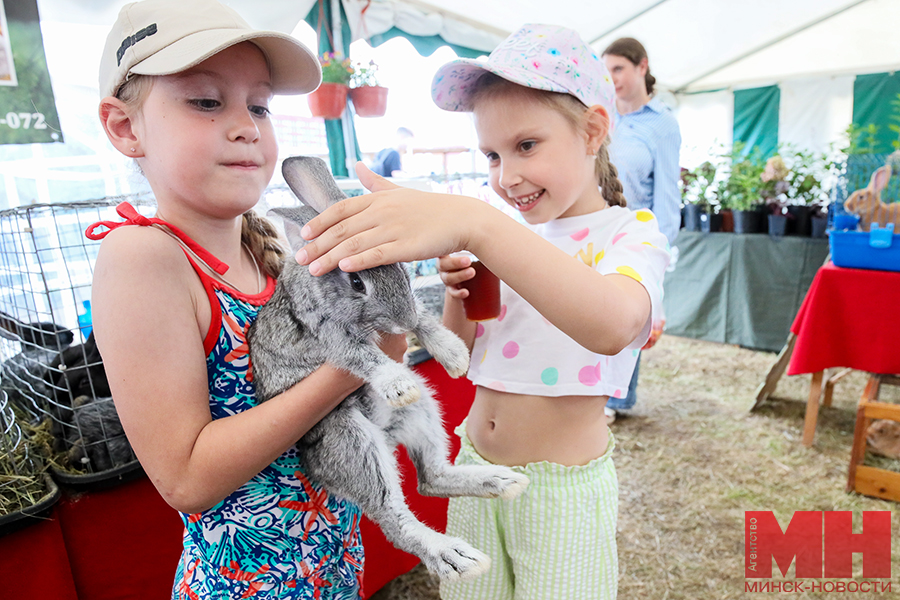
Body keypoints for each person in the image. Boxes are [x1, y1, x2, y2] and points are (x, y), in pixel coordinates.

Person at [294, 25, 670, 600]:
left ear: (593, 130)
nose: (506, 175)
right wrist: (461, 288)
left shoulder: (628, 234)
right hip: (475, 467)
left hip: (560, 488)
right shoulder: (508, 240)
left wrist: (482, 225)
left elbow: (613, 325)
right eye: (492, 154)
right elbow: (460, 355)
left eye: (526, 146)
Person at [88, 1, 406, 597]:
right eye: (207, 102)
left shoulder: (275, 258)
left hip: (331, 566)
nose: (247, 126)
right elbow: (186, 479)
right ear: (125, 127)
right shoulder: (144, 258)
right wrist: (348, 366)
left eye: (259, 105)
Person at [603, 37, 682, 423]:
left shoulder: (662, 124)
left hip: (637, 232)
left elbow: (668, 194)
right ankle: (598, 390)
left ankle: (615, 397)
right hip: (599, 226)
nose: (612, 77)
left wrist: (660, 254)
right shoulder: (602, 116)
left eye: (618, 68)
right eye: (606, 70)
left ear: (641, 67)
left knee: (627, 310)